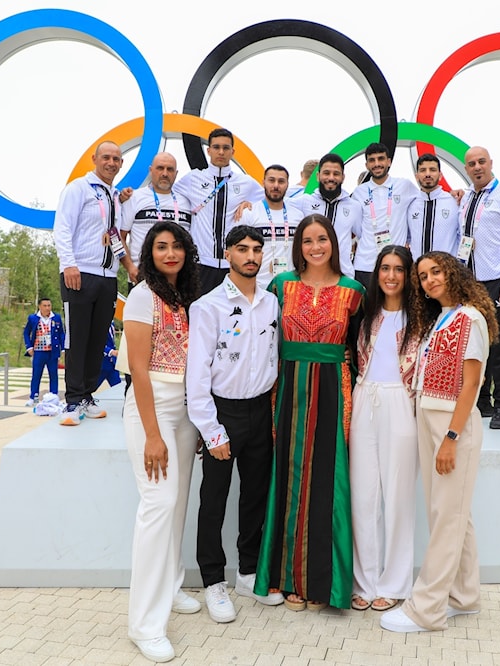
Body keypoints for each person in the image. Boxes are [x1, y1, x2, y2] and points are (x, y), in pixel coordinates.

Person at [380, 251, 499, 634]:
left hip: (452, 425)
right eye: (424, 275)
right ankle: (464, 598)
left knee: (446, 518)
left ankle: (426, 610)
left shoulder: (472, 318)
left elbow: (471, 385)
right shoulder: (442, 318)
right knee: (452, 515)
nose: (429, 280)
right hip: (429, 418)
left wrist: (451, 436)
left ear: (453, 273)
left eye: (436, 272)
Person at [254, 214, 365, 612]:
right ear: (297, 246)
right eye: (307, 240)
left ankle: (323, 583)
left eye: (322, 239)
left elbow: (359, 347)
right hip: (287, 389)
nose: (315, 247)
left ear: (333, 242)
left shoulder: (354, 292)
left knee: (327, 481)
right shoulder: (280, 286)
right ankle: (286, 578)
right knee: (287, 478)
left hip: (334, 388)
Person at [187, 225, 284, 623]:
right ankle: (213, 581)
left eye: (257, 250)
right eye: (242, 249)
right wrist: (212, 430)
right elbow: (197, 376)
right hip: (223, 413)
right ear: (227, 254)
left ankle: (247, 572)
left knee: (255, 496)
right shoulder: (208, 306)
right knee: (214, 500)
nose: (251, 256)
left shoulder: (271, 302)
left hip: (261, 410)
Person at [122, 221, 202, 663]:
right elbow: (138, 370)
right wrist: (154, 434)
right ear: (149, 253)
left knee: (177, 505)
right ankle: (145, 626)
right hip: (151, 409)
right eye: (160, 247)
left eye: (176, 247)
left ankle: (170, 587)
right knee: (159, 504)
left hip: (185, 410)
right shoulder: (141, 295)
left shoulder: (186, 296)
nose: (169, 253)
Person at [349, 245, 421, 613]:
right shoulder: (365, 315)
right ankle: (364, 581)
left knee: (397, 496)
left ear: (409, 276)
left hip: (401, 404)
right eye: (384, 269)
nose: (391, 276)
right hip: (365, 400)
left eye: (399, 270)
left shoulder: (421, 320)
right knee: (363, 496)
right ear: (376, 274)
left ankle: (393, 584)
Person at [53, 140, 137, 426]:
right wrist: (69, 264)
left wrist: (123, 200)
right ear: (94, 159)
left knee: (96, 339)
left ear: (121, 164)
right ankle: (72, 401)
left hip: (107, 277)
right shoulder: (78, 189)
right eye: (106, 157)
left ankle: (86, 394)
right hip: (80, 273)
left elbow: (117, 233)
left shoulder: (113, 195)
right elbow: (62, 227)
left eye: (116, 159)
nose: (111, 163)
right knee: (76, 338)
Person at [457, 146, 500, 429]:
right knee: (476, 345)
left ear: (491, 164)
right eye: (471, 164)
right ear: (466, 169)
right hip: (471, 283)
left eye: (481, 162)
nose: (477, 167)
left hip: (499, 280)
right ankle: (481, 401)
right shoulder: (466, 199)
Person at [175, 128, 264, 295]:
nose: (221, 152)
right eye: (216, 147)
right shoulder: (193, 178)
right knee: (199, 313)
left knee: (234, 315)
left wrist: (249, 202)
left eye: (226, 148)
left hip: (232, 265)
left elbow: (270, 200)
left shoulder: (245, 182)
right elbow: (166, 192)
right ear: (208, 150)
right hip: (201, 264)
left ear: (233, 151)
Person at [351, 143, 420, 286]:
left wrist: (454, 194)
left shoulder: (405, 186)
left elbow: (424, 201)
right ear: (367, 165)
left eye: (380, 159)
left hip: (396, 263)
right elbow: (358, 228)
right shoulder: (359, 192)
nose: (376, 164)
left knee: (396, 307)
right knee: (368, 308)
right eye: (372, 160)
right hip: (366, 264)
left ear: (388, 161)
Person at [120, 152, 193, 273]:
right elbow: (120, 236)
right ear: (151, 170)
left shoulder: (186, 202)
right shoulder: (134, 198)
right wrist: (130, 268)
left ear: (176, 173)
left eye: (170, 169)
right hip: (143, 275)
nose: (165, 173)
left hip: (179, 278)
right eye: (160, 168)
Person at [290, 152, 359, 279]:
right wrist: (246, 202)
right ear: (318, 176)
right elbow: (275, 203)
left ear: (343, 177)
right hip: (310, 278)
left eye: (336, 174)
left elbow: (365, 238)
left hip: (344, 277)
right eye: (326, 173)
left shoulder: (354, 206)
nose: (331, 178)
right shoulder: (304, 202)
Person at [236, 165, 305, 289]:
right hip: (258, 285)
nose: (276, 186)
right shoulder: (249, 213)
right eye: (271, 180)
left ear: (287, 185)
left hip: (290, 285)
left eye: (281, 181)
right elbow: (238, 250)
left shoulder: (298, 216)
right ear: (263, 182)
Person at [405, 153, 460, 260]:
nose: (428, 174)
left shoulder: (455, 202)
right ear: (417, 176)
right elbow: (407, 238)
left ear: (440, 175)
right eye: (423, 170)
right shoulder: (410, 204)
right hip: (418, 271)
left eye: (432, 170)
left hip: (447, 271)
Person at [22, 297, 64, 406]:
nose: (47, 308)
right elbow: (26, 332)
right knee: (36, 374)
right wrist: (29, 347)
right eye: (45, 306)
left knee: (53, 374)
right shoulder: (33, 318)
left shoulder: (56, 318)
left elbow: (61, 334)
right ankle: (33, 396)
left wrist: (63, 348)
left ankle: (54, 396)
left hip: (52, 351)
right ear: (40, 306)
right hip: (39, 351)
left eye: (49, 305)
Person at [97, 322, 121, 391]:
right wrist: (110, 351)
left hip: (112, 363)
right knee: (90, 388)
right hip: (102, 363)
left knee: (118, 387)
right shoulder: (98, 324)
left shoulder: (111, 324)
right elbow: (96, 343)